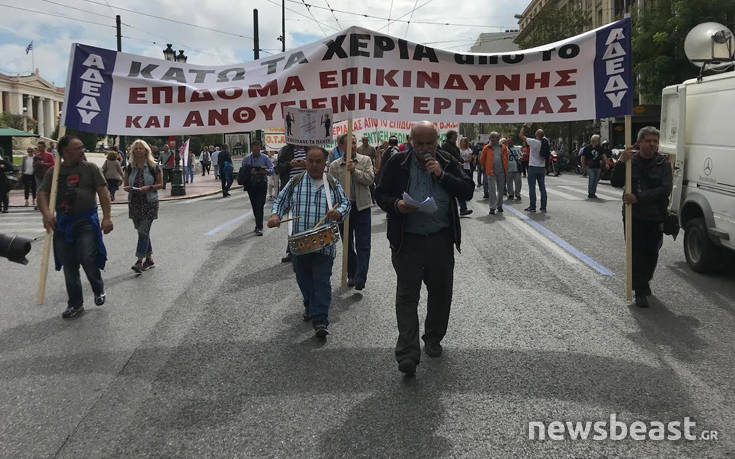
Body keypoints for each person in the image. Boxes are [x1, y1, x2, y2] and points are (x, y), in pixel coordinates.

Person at [375, 121, 474, 375]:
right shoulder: (397, 163)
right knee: (407, 296)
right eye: (419, 143)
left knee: (440, 293)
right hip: (407, 241)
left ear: (437, 142)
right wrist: (397, 204)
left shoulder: (448, 161)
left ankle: (433, 337)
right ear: (410, 141)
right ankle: (407, 353)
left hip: (440, 240)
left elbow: (467, 190)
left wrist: (441, 175)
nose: (424, 148)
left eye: (429, 143)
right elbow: (381, 194)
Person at [268, 146, 351, 338]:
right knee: (303, 279)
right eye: (310, 161)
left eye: (318, 161)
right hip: (299, 244)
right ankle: (310, 304)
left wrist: (338, 212)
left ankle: (320, 318)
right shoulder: (295, 182)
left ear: (325, 163)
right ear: (306, 162)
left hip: (325, 243)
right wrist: (275, 216)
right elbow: (281, 201)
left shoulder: (331, 182)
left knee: (321, 280)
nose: (314, 165)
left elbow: (346, 202)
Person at [38, 135, 113, 319]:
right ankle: (75, 304)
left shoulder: (90, 168)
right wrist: (47, 214)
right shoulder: (54, 172)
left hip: (85, 221)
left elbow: (103, 193)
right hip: (63, 223)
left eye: (82, 147)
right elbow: (42, 193)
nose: (82, 151)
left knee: (87, 257)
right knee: (69, 265)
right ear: (65, 152)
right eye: (77, 148)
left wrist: (107, 218)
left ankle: (97, 288)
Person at [611, 126, 672, 308]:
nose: (652, 144)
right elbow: (616, 182)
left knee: (651, 253)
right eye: (648, 141)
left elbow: (665, 189)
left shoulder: (663, 163)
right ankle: (640, 289)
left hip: (654, 216)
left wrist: (638, 198)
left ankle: (644, 280)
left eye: (655, 141)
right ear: (640, 142)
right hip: (634, 216)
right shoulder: (631, 160)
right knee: (635, 252)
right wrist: (622, 162)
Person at [328, 133, 375, 290]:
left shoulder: (365, 160)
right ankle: (352, 274)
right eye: (349, 143)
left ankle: (361, 276)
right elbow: (331, 189)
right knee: (347, 243)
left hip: (362, 207)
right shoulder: (334, 166)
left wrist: (354, 171)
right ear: (341, 146)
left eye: (354, 143)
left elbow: (369, 179)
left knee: (364, 244)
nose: (353, 146)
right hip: (344, 210)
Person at [122, 139, 163, 273]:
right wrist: (129, 188)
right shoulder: (129, 167)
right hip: (134, 202)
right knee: (142, 231)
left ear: (146, 150)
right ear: (133, 151)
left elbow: (160, 184)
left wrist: (149, 187)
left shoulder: (154, 166)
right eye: (136, 148)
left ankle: (139, 261)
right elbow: (125, 185)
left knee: (143, 231)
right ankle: (149, 259)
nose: (139, 150)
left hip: (149, 202)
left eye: (141, 148)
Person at [275, 143, 308, 263]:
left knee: (306, 220)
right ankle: (291, 250)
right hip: (290, 190)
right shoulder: (285, 150)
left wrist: (307, 164)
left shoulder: (309, 148)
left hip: (308, 189)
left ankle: (306, 249)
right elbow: (277, 169)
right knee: (292, 221)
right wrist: (290, 164)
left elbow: (321, 166)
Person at [241, 140, 274, 235]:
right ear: (252, 149)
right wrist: (250, 171)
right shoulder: (246, 159)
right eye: (255, 149)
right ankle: (258, 224)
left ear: (260, 148)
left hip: (262, 184)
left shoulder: (265, 158)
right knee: (255, 206)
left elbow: (272, 169)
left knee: (260, 205)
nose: (256, 151)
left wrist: (266, 171)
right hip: (251, 185)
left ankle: (259, 227)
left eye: (258, 149)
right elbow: (243, 171)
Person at [520, 125, 549, 213]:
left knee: (532, 188)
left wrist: (523, 126)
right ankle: (543, 207)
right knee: (542, 188)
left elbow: (521, 135)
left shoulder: (533, 142)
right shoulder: (545, 142)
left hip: (533, 167)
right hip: (542, 168)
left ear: (536, 134)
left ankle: (533, 206)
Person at [479, 132, 509, 215]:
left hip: (501, 171)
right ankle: (492, 207)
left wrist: (506, 169)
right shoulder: (486, 148)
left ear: (498, 138)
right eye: (491, 137)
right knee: (492, 190)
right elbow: (482, 159)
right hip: (491, 171)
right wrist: (484, 167)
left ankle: (499, 205)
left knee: (501, 189)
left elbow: (506, 158)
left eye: (493, 137)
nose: (492, 139)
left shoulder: (503, 147)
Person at [581, 134, 607, 199]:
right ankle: (590, 193)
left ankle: (593, 193)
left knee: (596, 180)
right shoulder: (587, 148)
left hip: (598, 166)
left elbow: (604, 156)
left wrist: (606, 163)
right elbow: (583, 157)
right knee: (592, 179)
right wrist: (583, 166)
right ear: (594, 140)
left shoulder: (600, 148)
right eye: (598, 140)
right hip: (590, 167)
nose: (599, 141)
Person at [457, 137, 474, 216]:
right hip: (459, 169)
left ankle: (463, 206)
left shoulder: (469, 150)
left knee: (466, 185)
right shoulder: (458, 149)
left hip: (466, 169)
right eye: (462, 141)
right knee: (460, 187)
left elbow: (470, 159)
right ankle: (463, 208)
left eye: (464, 142)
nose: (463, 143)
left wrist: (462, 161)